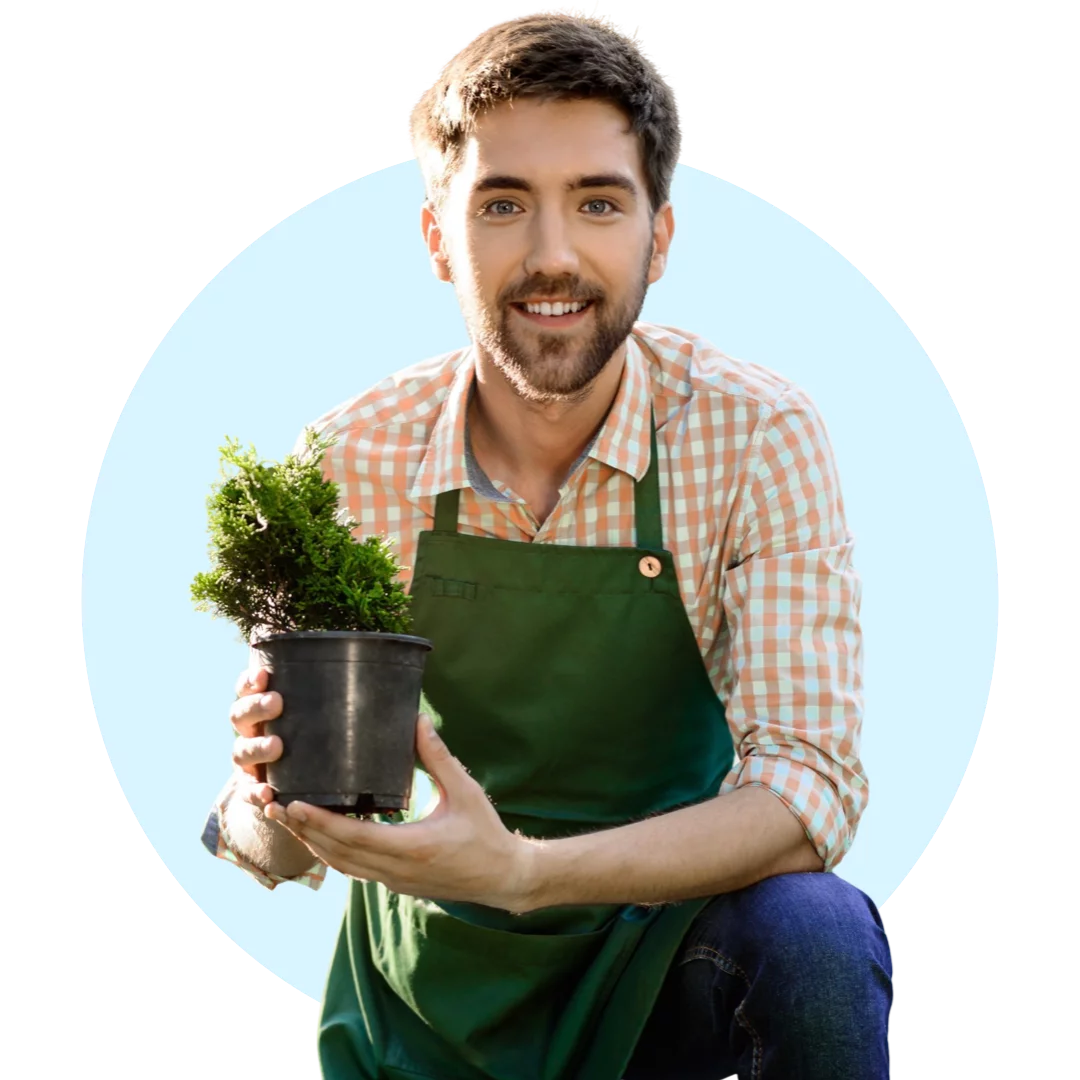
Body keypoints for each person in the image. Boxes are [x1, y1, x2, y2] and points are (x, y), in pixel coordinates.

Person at [201, 8, 894, 1078]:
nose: (553, 257)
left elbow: (809, 795)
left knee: (818, 938)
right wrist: (267, 793)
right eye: (505, 204)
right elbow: (272, 843)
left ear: (659, 235)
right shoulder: (347, 462)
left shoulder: (755, 436)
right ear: (440, 237)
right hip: (426, 1013)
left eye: (599, 203)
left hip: (663, 966)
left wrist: (523, 869)